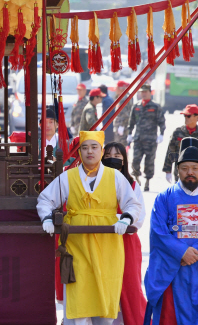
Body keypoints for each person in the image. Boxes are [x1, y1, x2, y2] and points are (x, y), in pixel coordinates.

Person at [37, 131, 142, 325]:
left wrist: (125, 220)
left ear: (101, 151)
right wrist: (47, 218)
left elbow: (133, 205)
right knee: (76, 306)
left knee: (105, 306)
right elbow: (45, 200)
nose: (89, 152)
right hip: (77, 246)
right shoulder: (68, 177)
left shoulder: (116, 177)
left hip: (108, 247)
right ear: (80, 152)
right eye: (85, 148)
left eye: (94, 147)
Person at [144, 137, 198, 324]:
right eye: (184, 169)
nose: (190, 173)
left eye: (195, 168)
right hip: (174, 272)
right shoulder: (164, 198)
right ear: (177, 170)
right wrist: (181, 251)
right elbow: (158, 233)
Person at [102, 142, 147, 325]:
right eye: (108, 155)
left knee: (129, 287)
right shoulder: (95, 182)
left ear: (124, 160)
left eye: (118, 156)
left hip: (127, 242)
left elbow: (140, 216)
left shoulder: (132, 184)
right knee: (104, 285)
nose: (113, 159)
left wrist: (118, 219)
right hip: (102, 241)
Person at [162, 104, 198, 185]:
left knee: (197, 195)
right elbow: (170, 151)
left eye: (189, 116)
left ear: (197, 117)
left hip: (197, 174)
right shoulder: (177, 132)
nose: (186, 118)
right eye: (185, 116)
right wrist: (167, 170)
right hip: (180, 173)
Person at [127, 83, 166, 191]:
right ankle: (136, 177)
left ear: (150, 92)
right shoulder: (137, 106)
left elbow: (161, 121)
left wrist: (162, 134)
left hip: (151, 140)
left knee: (149, 162)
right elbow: (132, 121)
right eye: (142, 92)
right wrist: (129, 133)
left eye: (145, 92)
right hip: (138, 139)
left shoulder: (156, 107)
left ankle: (147, 181)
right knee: (135, 160)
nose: (143, 94)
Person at [113, 81, 133, 146]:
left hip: (122, 127)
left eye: (117, 88)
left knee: (120, 147)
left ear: (121, 88)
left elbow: (125, 114)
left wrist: (121, 126)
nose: (115, 90)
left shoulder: (124, 98)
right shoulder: (123, 97)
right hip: (121, 127)